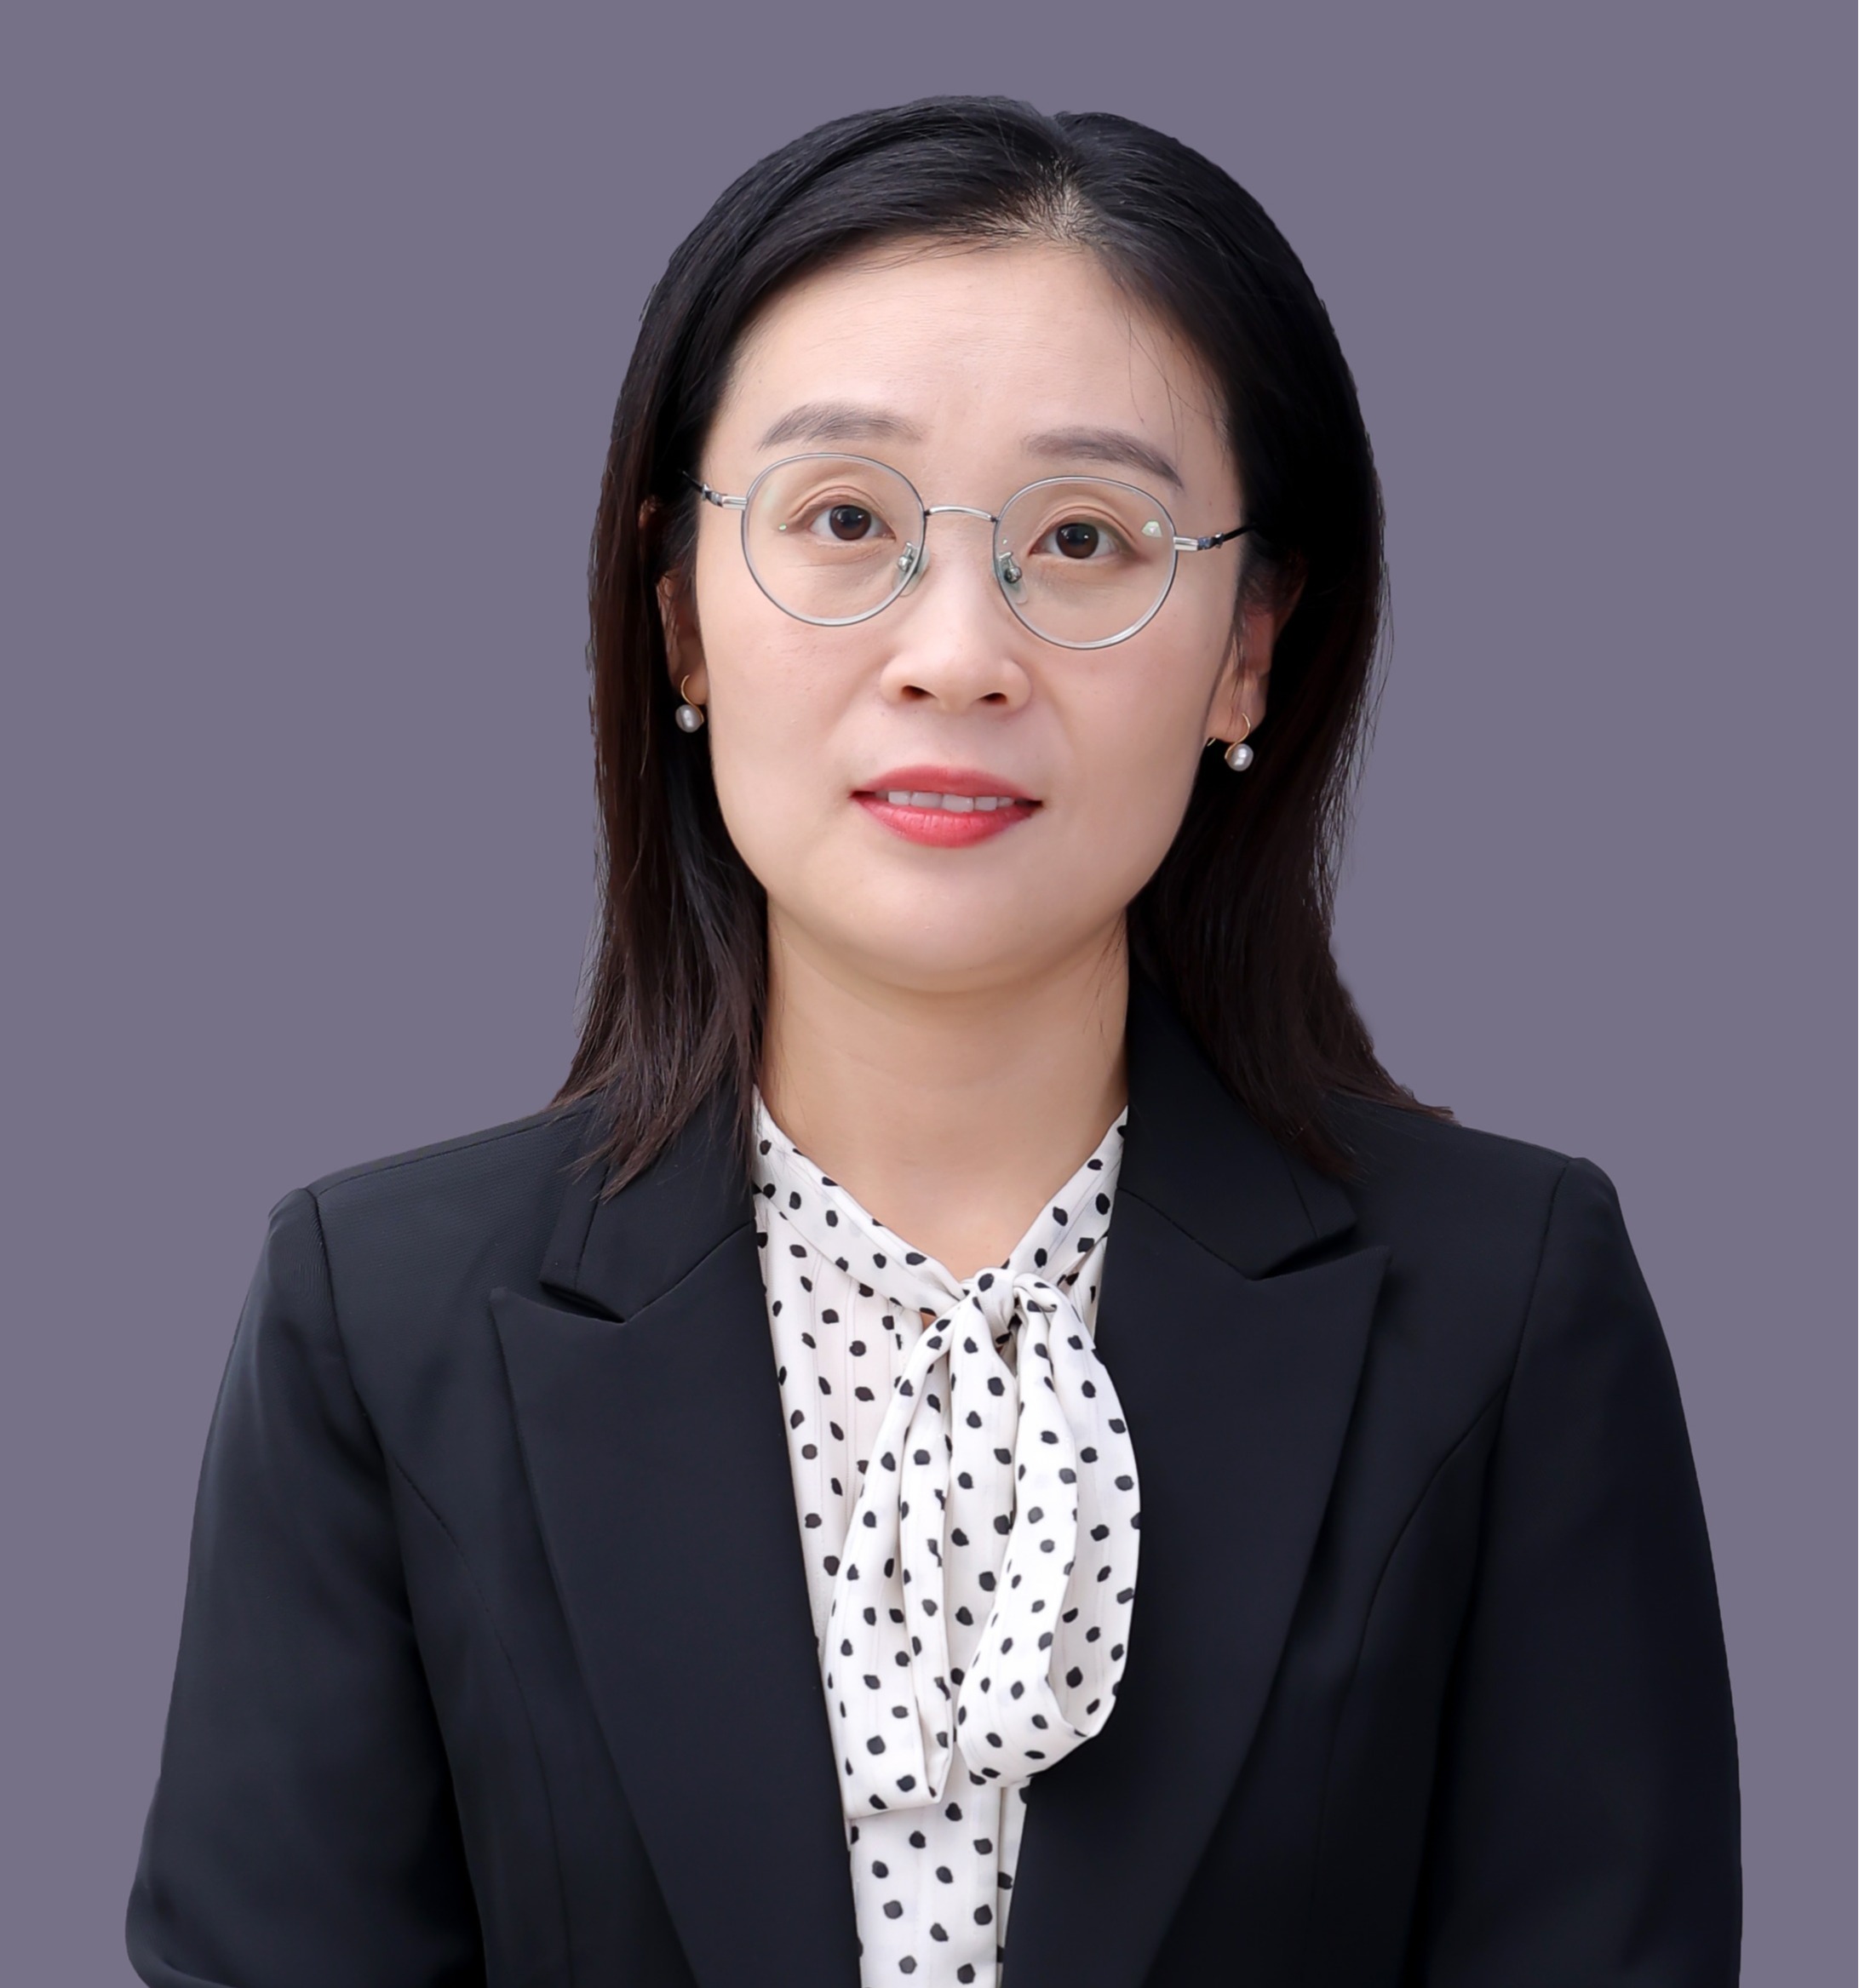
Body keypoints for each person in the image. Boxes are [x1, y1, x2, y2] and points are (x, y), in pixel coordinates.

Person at [126, 96, 1741, 1988]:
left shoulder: (1509, 1307)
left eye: (1084, 537)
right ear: (679, 614)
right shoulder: (375, 1321)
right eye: (844, 521)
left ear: (1248, 645)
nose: (958, 652)